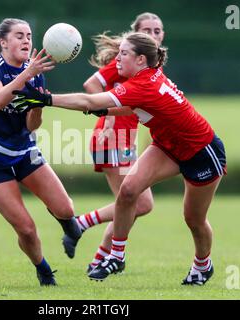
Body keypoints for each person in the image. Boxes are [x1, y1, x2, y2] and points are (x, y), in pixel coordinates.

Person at [13, 32, 227, 286]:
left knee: (193, 219)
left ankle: (203, 265)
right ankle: (116, 255)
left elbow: (88, 99)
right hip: (167, 146)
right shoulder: (143, 78)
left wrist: (46, 99)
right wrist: (104, 110)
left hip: (201, 151)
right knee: (128, 192)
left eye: (123, 54)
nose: (117, 59)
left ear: (140, 60)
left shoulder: (143, 84)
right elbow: (134, 106)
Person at [0, 18, 82, 287]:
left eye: (29, 35)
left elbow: (32, 125)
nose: (26, 40)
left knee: (65, 208)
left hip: (22, 150)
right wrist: (27, 75)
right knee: (27, 229)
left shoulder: (35, 73)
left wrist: (39, 105)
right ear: (3, 42)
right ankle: (44, 271)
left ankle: (70, 229)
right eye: (19, 36)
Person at [71, 13, 164, 274]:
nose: (153, 35)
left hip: (126, 142)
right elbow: (91, 84)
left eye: (157, 30)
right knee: (138, 204)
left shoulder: (151, 68)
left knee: (134, 205)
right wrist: (108, 114)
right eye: (147, 30)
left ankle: (100, 257)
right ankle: (84, 229)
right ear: (134, 34)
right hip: (112, 138)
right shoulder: (125, 61)